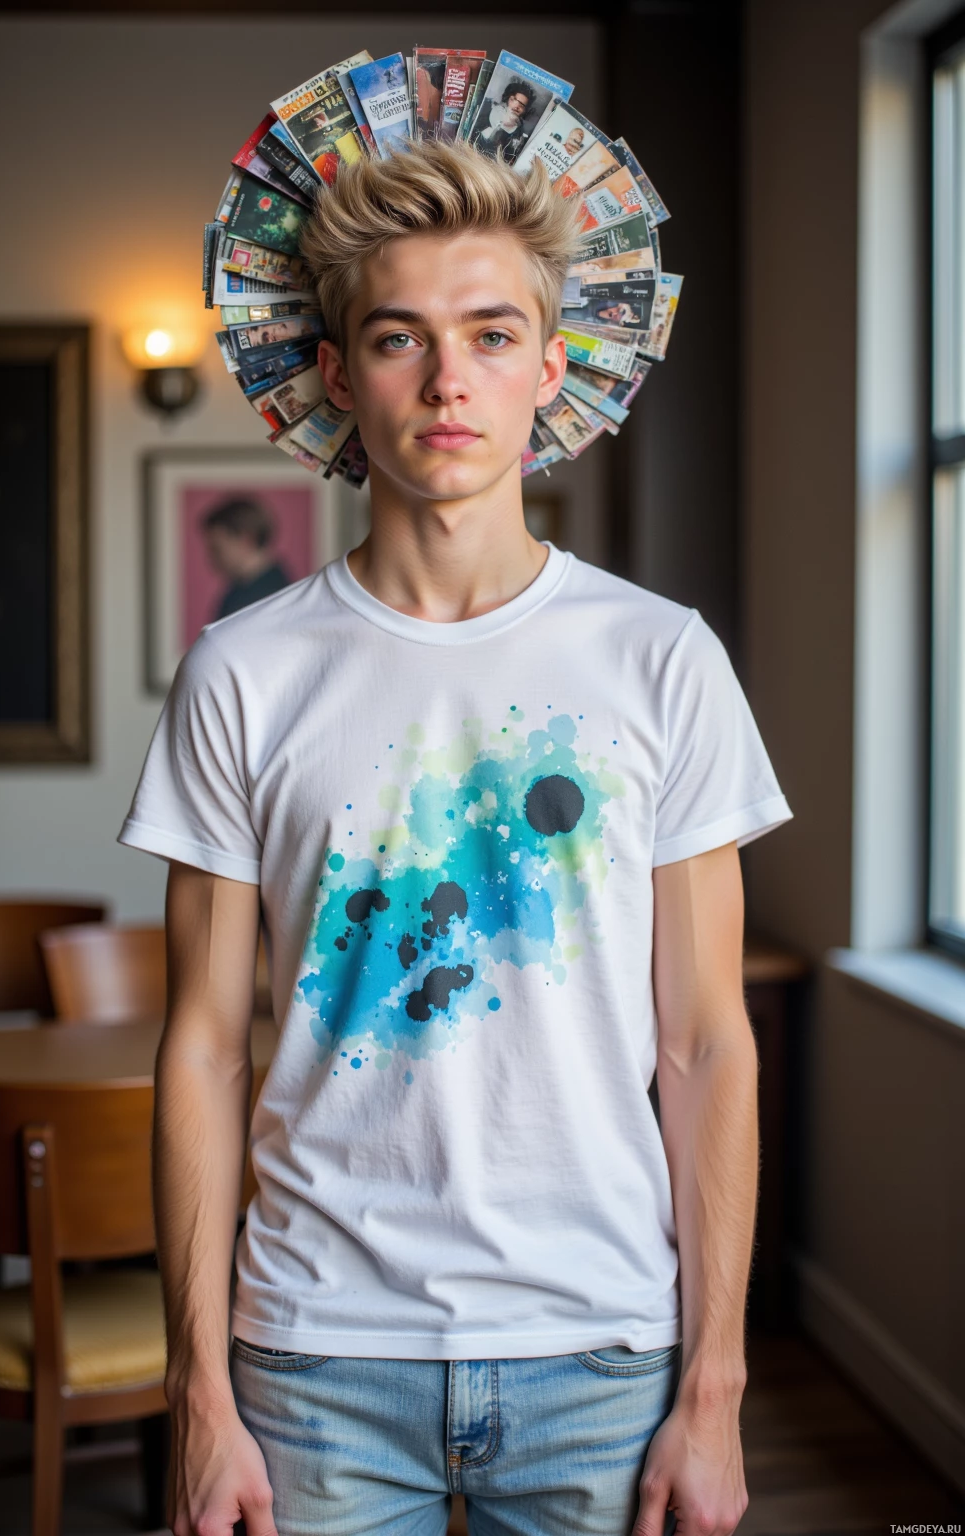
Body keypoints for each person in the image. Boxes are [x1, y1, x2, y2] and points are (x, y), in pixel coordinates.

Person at [119, 139, 792, 1536]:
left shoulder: (663, 659)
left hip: (602, 1350)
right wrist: (198, 1391)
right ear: (337, 375)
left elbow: (708, 1043)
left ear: (552, 368)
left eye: (491, 335)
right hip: (313, 1355)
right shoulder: (242, 673)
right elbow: (197, 1044)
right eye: (399, 339)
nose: (447, 382)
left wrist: (714, 1388)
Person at [199, 496, 290, 622]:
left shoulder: (270, 597)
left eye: (217, 549)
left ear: (246, 540)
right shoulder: (237, 591)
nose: (210, 557)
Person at [474, 79, 536, 161]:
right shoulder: (488, 109)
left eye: (522, 105)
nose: (517, 107)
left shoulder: (518, 132)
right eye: (515, 101)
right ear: (508, 98)